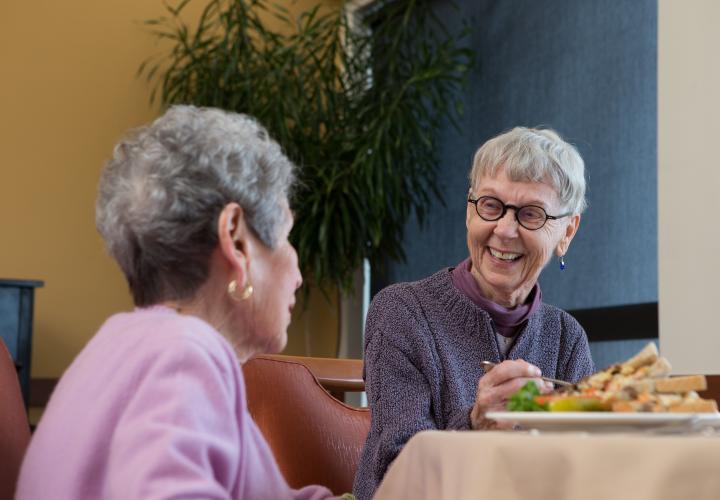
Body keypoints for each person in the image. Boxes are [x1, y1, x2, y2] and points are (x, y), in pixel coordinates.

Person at [17, 106, 337, 500]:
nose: (299, 274)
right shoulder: (183, 355)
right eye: (288, 236)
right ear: (236, 240)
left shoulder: (118, 348)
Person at [353, 127, 595, 500]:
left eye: (531, 214)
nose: (504, 230)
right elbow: (396, 475)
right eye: (491, 206)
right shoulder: (401, 313)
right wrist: (475, 426)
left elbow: (583, 470)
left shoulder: (566, 337)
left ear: (567, 232)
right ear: (470, 211)